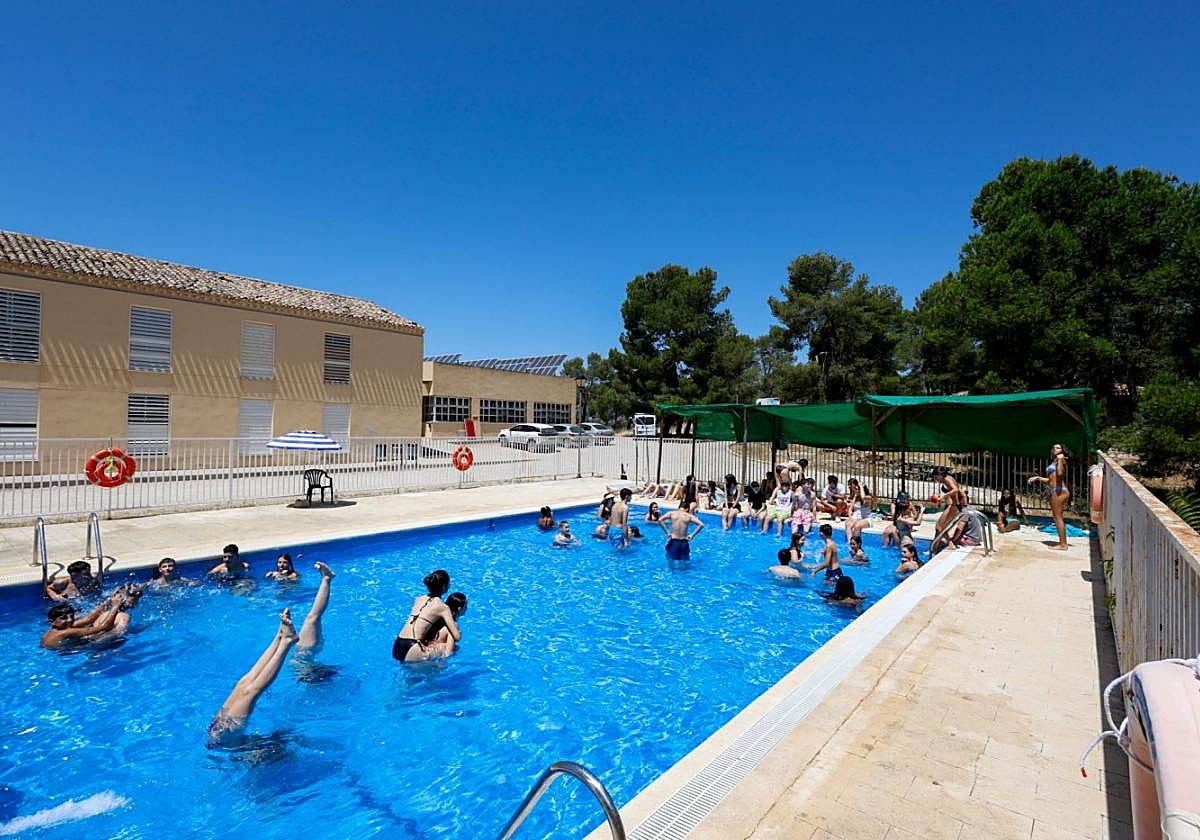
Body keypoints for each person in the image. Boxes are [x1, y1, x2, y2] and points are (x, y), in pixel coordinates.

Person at [207, 609, 299, 748]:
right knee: (251, 692)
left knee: (243, 684)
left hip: (219, 732)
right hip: (225, 737)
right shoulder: (243, 750)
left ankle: (279, 637)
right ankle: (286, 643)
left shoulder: (237, 750)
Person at [392, 569, 461, 663]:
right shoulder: (443, 607)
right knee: (450, 648)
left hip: (397, 645)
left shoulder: (418, 599)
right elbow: (456, 636)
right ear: (444, 587)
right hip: (413, 647)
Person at [40, 589, 129, 648]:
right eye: (64, 618)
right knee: (117, 629)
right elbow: (105, 626)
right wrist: (115, 606)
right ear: (52, 621)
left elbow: (89, 618)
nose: (70, 620)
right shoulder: (65, 632)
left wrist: (108, 601)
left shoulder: (59, 627)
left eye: (71, 616)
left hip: (64, 648)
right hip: (69, 651)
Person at [1029, 443, 1072, 550]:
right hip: (1055, 490)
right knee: (1056, 517)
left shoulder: (1060, 460)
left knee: (1058, 517)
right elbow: (1050, 480)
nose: (1055, 449)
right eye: (1054, 447)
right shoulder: (1055, 461)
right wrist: (1038, 478)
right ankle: (1062, 543)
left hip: (1059, 491)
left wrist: (1060, 460)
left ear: (1062, 450)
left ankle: (1063, 544)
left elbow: (1060, 474)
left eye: (1058, 448)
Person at [296, 562, 335, 653]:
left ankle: (326, 579)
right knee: (313, 618)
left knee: (314, 618)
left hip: (303, 656)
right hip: (303, 655)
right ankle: (326, 579)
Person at [933, 467, 969, 538]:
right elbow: (959, 490)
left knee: (939, 527)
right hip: (953, 505)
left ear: (940, 475)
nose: (935, 477)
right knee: (940, 527)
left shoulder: (947, 479)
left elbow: (956, 489)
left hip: (954, 506)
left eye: (936, 476)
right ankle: (944, 543)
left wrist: (944, 496)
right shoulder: (948, 479)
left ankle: (935, 545)